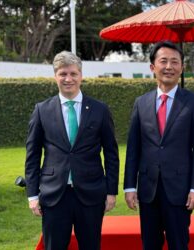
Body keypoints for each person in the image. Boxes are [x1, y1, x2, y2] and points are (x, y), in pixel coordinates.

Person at [25, 51, 119, 250]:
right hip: (54, 195)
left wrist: (111, 191)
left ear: (81, 76)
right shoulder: (42, 110)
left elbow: (111, 153)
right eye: (63, 74)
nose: (68, 79)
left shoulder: (100, 110)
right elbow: (32, 155)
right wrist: (32, 195)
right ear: (55, 76)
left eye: (73, 74)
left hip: (91, 193)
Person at [123, 41, 194, 250]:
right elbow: (134, 148)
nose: (169, 66)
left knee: (179, 243)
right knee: (149, 244)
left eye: (174, 62)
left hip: (180, 190)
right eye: (163, 61)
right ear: (153, 67)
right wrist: (130, 186)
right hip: (148, 189)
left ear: (182, 67)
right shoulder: (140, 103)